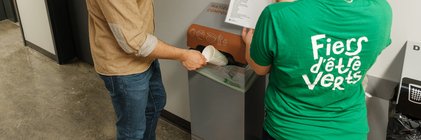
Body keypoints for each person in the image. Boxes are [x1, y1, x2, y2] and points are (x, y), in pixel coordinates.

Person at [242, 0, 392, 139]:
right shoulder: (382, 12)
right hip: (349, 131)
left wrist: (249, 43)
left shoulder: (277, 15)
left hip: (288, 130)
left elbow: (260, 68)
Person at [86, 0, 206, 139]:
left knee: (155, 105)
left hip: (145, 57)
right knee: (132, 131)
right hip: (124, 68)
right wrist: (184, 55)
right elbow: (136, 42)